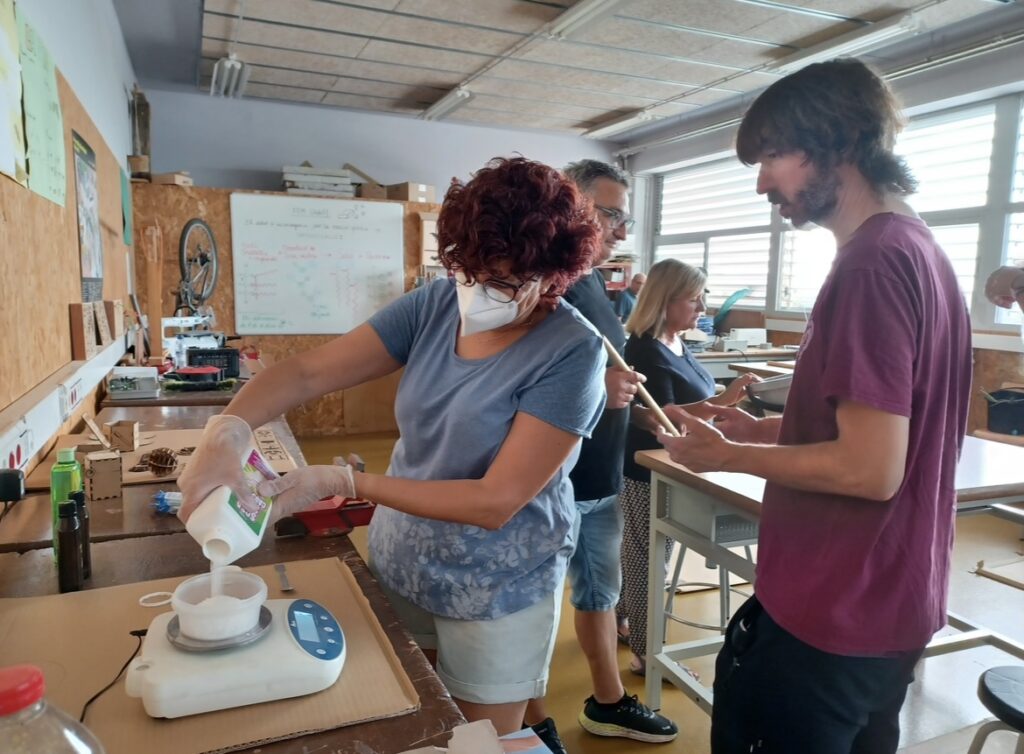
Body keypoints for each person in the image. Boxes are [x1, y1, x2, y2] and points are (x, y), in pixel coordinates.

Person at [176, 156, 609, 738]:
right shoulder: (436, 305)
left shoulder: (573, 352)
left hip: (498, 584)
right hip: (405, 557)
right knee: (410, 718)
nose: (478, 292)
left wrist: (345, 482)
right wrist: (226, 432)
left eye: (504, 282)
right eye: (468, 271)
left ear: (553, 276)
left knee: (476, 739)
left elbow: (495, 501)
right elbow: (306, 373)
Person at [657, 59, 973, 754]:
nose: (762, 182)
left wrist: (728, 456)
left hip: (834, 607)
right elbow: (880, 431)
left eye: (774, 155)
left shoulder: (870, 263)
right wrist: (761, 429)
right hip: (891, 601)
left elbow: (869, 469)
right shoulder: (920, 249)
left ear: (840, 142)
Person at [523, 159, 678, 750]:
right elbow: (516, 387)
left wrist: (636, 408)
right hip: (549, 482)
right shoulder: (543, 283)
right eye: (610, 213)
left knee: (600, 597)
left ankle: (608, 703)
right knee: (534, 608)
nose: (621, 228)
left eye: (624, 217)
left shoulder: (589, 280)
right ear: (571, 206)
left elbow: (600, 375)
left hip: (600, 477)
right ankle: (531, 721)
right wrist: (596, 392)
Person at [616, 258, 756, 676]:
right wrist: (720, 403)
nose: (702, 308)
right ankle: (647, 654)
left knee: (645, 556)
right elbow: (663, 417)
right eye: (694, 299)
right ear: (665, 300)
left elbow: (688, 403)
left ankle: (618, 615)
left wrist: (722, 403)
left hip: (679, 466)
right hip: (648, 469)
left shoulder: (678, 342)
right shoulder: (644, 349)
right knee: (647, 561)